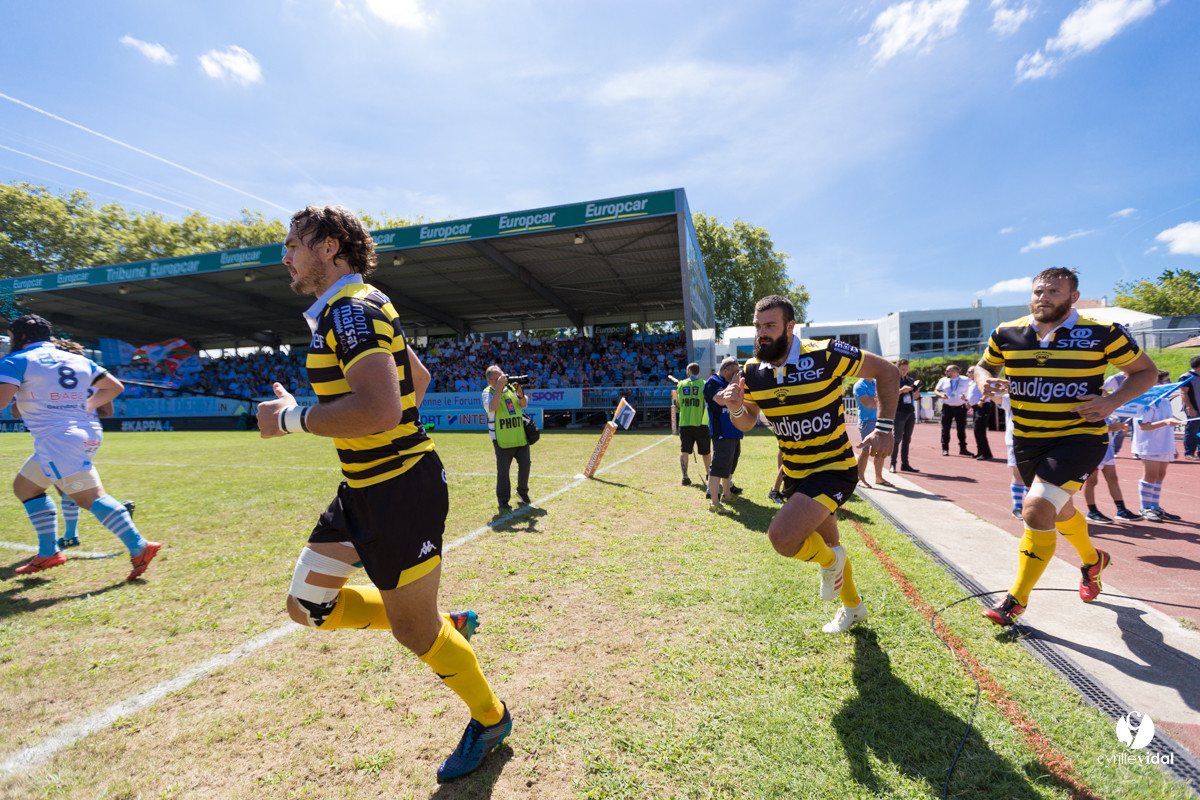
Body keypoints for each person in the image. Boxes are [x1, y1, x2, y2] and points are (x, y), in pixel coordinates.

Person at [256, 205, 510, 783]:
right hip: (363, 490)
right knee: (307, 607)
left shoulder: (350, 311)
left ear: (328, 245)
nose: (285, 255)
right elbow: (415, 382)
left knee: (413, 633)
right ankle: (440, 620)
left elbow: (380, 406)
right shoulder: (358, 306)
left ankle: (491, 717)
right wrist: (312, 410)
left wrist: (293, 418)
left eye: (293, 242)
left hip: (400, 491)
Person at [973, 267, 1157, 626]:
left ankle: (1015, 601)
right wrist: (985, 381)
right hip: (1028, 440)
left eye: (1054, 291)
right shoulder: (1006, 332)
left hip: (1080, 436)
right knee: (1058, 510)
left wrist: (1111, 402)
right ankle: (1093, 560)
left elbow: (1146, 372)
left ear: (1073, 296)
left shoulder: (1102, 332)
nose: (1044, 297)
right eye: (1039, 291)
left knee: (1037, 507)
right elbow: (982, 367)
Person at [720, 294, 899, 634]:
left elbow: (886, 371)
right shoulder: (753, 372)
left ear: (790, 326)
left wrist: (885, 428)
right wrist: (736, 407)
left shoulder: (827, 353)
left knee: (783, 538)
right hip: (796, 474)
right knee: (830, 546)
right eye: (758, 327)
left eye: (770, 325)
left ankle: (832, 564)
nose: (762, 334)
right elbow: (746, 422)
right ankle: (853, 607)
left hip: (833, 468)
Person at [0, 315, 159, 580]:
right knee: (26, 487)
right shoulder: (77, 358)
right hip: (81, 433)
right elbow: (113, 387)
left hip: (58, 439)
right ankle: (48, 553)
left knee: (89, 497)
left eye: (11, 337)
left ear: (20, 337)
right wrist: (84, 407)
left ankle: (140, 546)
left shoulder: (16, 360)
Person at [1132, 370, 1182, 523]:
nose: (1169, 383)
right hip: (1150, 445)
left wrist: (1173, 446)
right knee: (1150, 476)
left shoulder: (1165, 400)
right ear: (1155, 384)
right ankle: (1145, 507)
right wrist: (1165, 422)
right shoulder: (1146, 401)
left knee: (1160, 475)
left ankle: (1155, 506)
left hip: (1164, 444)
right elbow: (1144, 426)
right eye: (1165, 381)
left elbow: (1167, 424)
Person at [483, 365, 530, 513]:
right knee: (503, 471)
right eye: (498, 378)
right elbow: (493, 406)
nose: (503, 379)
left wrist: (520, 392)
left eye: (503, 376)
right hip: (501, 438)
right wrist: (499, 388)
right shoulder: (487, 392)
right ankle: (503, 500)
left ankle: (522, 491)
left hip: (519, 436)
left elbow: (524, 404)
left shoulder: (510, 389)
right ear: (490, 381)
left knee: (526, 465)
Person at [703, 357, 744, 512]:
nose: (736, 375)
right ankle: (714, 502)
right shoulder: (712, 382)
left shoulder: (729, 383)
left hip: (735, 430)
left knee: (730, 465)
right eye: (733, 372)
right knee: (719, 466)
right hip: (722, 431)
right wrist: (734, 382)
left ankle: (727, 494)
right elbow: (721, 400)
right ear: (725, 370)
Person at [1082, 419, 1138, 523]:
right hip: (1093, 449)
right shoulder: (1089, 409)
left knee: (1113, 479)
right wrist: (1113, 427)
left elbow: (1108, 426)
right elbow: (1089, 429)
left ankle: (1121, 510)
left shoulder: (1105, 411)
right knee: (1091, 481)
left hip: (1107, 449)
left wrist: (1118, 426)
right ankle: (1092, 512)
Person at [674, 362, 710, 486]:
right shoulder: (704, 384)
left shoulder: (681, 385)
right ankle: (709, 475)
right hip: (701, 423)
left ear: (688, 371)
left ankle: (685, 477)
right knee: (706, 451)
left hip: (685, 423)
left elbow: (677, 403)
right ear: (698, 371)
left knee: (684, 450)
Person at [853, 375, 892, 489]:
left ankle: (878, 478)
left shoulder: (875, 382)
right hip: (867, 422)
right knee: (865, 451)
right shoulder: (859, 386)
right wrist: (882, 397)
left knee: (880, 450)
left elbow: (884, 398)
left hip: (880, 420)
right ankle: (860, 479)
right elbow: (869, 404)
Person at [934, 364, 973, 457]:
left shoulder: (966, 380)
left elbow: (973, 390)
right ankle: (945, 449)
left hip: (960, 407)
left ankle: (963, 449)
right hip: (947, 407)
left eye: (948, 371)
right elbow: (936, 390)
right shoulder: (943, 380)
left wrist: (968, 400)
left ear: (955, 371)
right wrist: (940, 395)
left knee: (961, 429)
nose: (945, 372)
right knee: (945, 429)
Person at [888, 358, 919, 473]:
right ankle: (892, 464)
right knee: (897, 438)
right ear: (897, 368)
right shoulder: (892, 380)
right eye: (902, 369)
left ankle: (905, 464)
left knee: (907, 439)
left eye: (906, 369)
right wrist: (901, 390)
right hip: (898, 412)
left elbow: (915, 397)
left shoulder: (910, 380)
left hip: (910, 411)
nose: (905, 371)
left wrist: (915, 392)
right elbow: (890, 395)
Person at [965, 366, 995, 460]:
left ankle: (986, 454)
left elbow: (989, 391)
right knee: (977, 431)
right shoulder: (972, 382)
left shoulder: (982, 380)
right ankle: (981, 452)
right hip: (977, 407)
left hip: (983, 407)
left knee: (979, 430)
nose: (967, 373)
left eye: (969, 371)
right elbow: (973, 395)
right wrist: (968, 402)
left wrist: (982, 400)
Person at [1178, 355, 1200, 461]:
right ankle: (1189, 452)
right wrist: (1190, 407)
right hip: (1194, 408)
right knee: (1192, 430)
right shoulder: (1186, 377)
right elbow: (1183, 392)